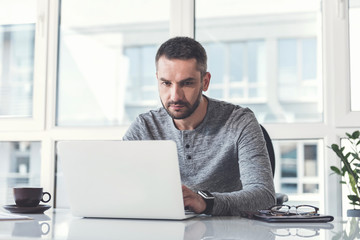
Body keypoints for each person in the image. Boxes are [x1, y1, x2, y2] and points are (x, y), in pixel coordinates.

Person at [123, 36, 275, 216]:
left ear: (205, 81)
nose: (175, 96)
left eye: (187, 83)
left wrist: (205, 202)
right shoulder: (144, 127)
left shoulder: (239, 121)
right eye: (166, 83)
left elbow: (264, 196)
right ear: (157, 80)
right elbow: (115, 186)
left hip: (228, 232)